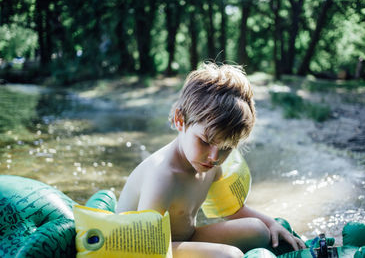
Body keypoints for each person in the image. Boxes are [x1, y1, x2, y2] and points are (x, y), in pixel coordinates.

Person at [116, 63, 305, 257]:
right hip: (149, 248)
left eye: (226, 148)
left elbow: (232, 211)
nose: (214, 157)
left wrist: (272, 224)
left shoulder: (210, 165)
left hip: (184, 240)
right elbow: (145, 249)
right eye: (205, 141)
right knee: (229, 256)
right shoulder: (163, 176)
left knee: (258, 230)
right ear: (180, 120)